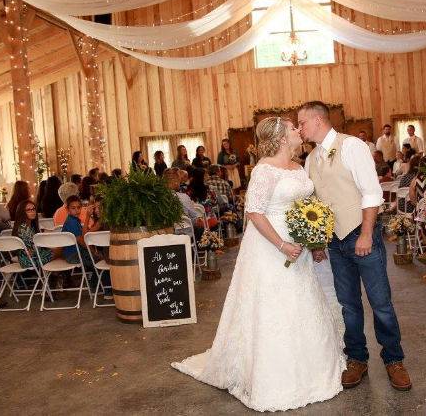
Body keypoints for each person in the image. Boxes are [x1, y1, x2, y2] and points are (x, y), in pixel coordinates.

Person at [172, 116, 345, 412]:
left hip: (299, 247)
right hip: (271, 247)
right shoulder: (264, 170)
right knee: (273, 307)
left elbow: (308, 207)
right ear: (280, 138)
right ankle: (273, 376)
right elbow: (254, 213)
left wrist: (313, 240)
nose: (298, 131)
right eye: (293, 129)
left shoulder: (298, 166)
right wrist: (282, 245)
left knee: (301, 301)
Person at [298, 101, 411, 392]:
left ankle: (394, 360)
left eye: (302, 123)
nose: (300, 129)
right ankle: (357, 359)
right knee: (348, 304)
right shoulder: (311, 160)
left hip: (361, 234)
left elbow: (372, 192)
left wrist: (366, 233)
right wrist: (318, 242)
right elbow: (315, 205)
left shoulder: (352, 147)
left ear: (318, 120)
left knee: (380, 303)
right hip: (334, 243)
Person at [61, 195, 108, 292]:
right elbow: (83, 241)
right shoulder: (72, 222)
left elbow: (85, 237)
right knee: (97, 260)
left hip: (72, 253)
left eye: (79, 208)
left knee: (97, 259)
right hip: (74, 254)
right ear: (67, 209)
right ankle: (98, 286)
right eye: (73, 208)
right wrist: (94, 253)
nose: (77, 210)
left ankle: (97, 285)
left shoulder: (73, 220)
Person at [11, 200, 52, 268]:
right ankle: (55, 275)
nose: (32, 212)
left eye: (33, 209)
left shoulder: (30, 226)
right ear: (22, 212)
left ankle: (53, 274)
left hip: (31, 258)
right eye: (28, 210)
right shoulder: (24, 229)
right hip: (29, 261)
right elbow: (33, 251)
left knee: (57, 250)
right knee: (58, 251)